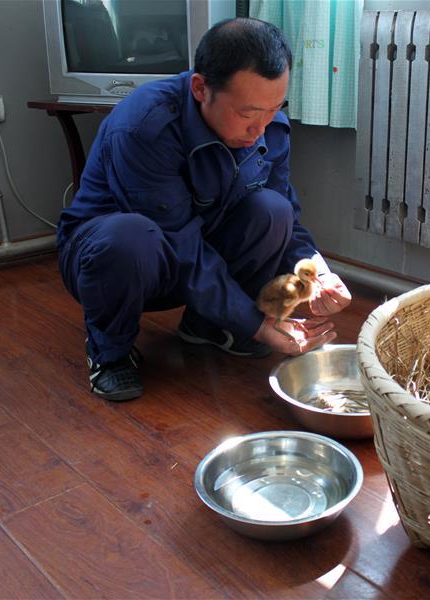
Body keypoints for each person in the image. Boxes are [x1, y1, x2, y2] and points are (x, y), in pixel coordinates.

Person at [57, 18, 351, 402]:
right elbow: (181, 246)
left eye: (274, 108)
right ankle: (108, 353)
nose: (261, 128)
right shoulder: (144, 126)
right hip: (120, 258)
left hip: (192, 247)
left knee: (272, 209)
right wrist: (257, 325)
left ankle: (208, 325)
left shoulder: (269, 126)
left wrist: (317, 273)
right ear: (200, 88)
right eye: (248, 114)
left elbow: (288, 222)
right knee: (129, 236)